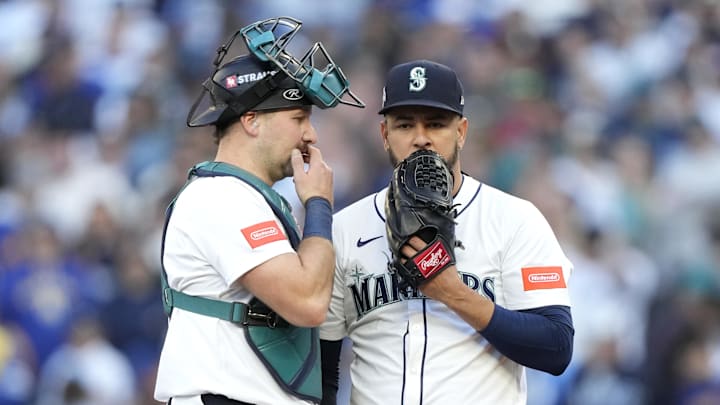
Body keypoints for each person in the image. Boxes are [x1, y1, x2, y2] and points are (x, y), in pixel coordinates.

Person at [319, 60, 574, 404]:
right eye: (405, 125)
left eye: (436, 124)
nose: (421, 138)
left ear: (461, 131)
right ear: (384, 135)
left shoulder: (513, 219)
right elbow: (323, 368)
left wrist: (453, 293)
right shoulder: (346, 228)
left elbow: (555, 347)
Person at [154, 17, 364, 405]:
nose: (311, 135)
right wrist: (318, 202)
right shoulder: (221, 197)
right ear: (250, 120)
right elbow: (307, 302)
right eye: (298, 118)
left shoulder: (246, 197)